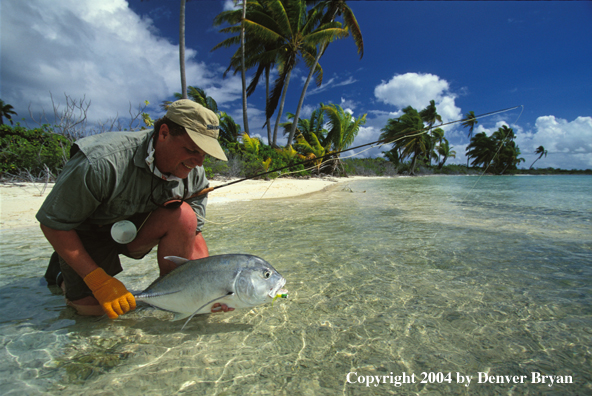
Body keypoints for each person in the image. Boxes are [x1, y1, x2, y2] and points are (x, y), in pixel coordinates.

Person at [37, 99, 233, 319]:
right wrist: (98, 281)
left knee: (186, 216)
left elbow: (194, 234)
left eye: (204, 154)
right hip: (89, 234)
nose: (198, 162)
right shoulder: (100, 161)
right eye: (191, 149)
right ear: (164, 133)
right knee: (93, 312)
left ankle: (169, 294)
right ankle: (62, 273)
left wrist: (206, 291)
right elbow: (53, 223)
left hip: (138, 232)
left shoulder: (195, 173)